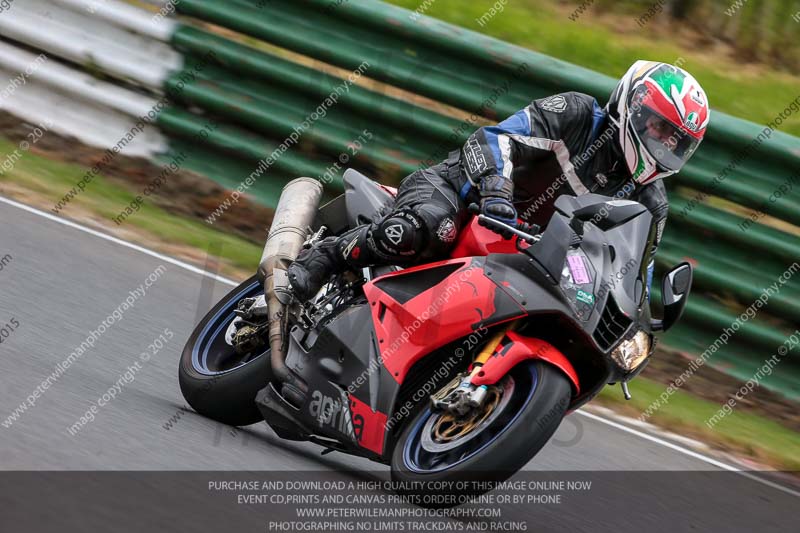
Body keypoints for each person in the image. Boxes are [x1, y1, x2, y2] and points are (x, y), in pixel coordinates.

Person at [288, 60, 710, 301]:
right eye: (658, 128)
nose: (664, 144)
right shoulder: (579, 115)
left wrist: (637, 317)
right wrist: (496, 193)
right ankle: (324, 257)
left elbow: (637, 273)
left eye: (676, 140)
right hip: (462, 195)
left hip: (523, 262)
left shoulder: (650, 203)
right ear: (633, 105)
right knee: (419, 230)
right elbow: (493, 139)